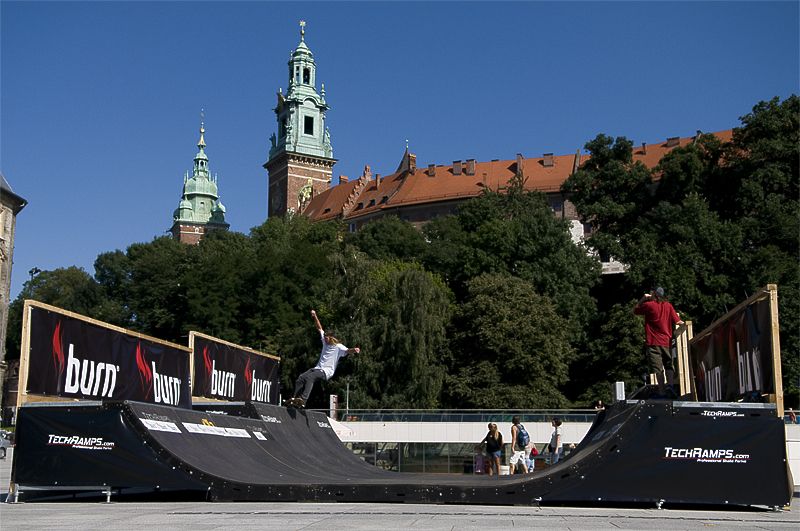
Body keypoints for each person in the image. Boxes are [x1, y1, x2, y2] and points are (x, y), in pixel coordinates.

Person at [288, 309, 360, 408]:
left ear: (331, 338)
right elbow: (319, 327)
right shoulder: (324, 340)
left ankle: (303, 400)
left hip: (327, 371)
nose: (325, 340)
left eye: (326, 338)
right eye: (324, 338)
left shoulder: (338, 347)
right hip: (318, 368)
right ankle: (294, 399)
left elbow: (347, 351)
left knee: (310, 377)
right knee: (301, 378)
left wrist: (354, 350)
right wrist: (315, 316)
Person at [634, 286, 684, 396]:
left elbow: (635, 310)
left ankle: (662, 392)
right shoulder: (668, 305)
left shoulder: (649, 305)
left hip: (653, 342)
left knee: (658, 368)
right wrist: (684, 326)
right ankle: (670, 386)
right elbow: (678, 321)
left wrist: (643, 299)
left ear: (654, 294)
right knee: (668, 364)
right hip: (666, 340)